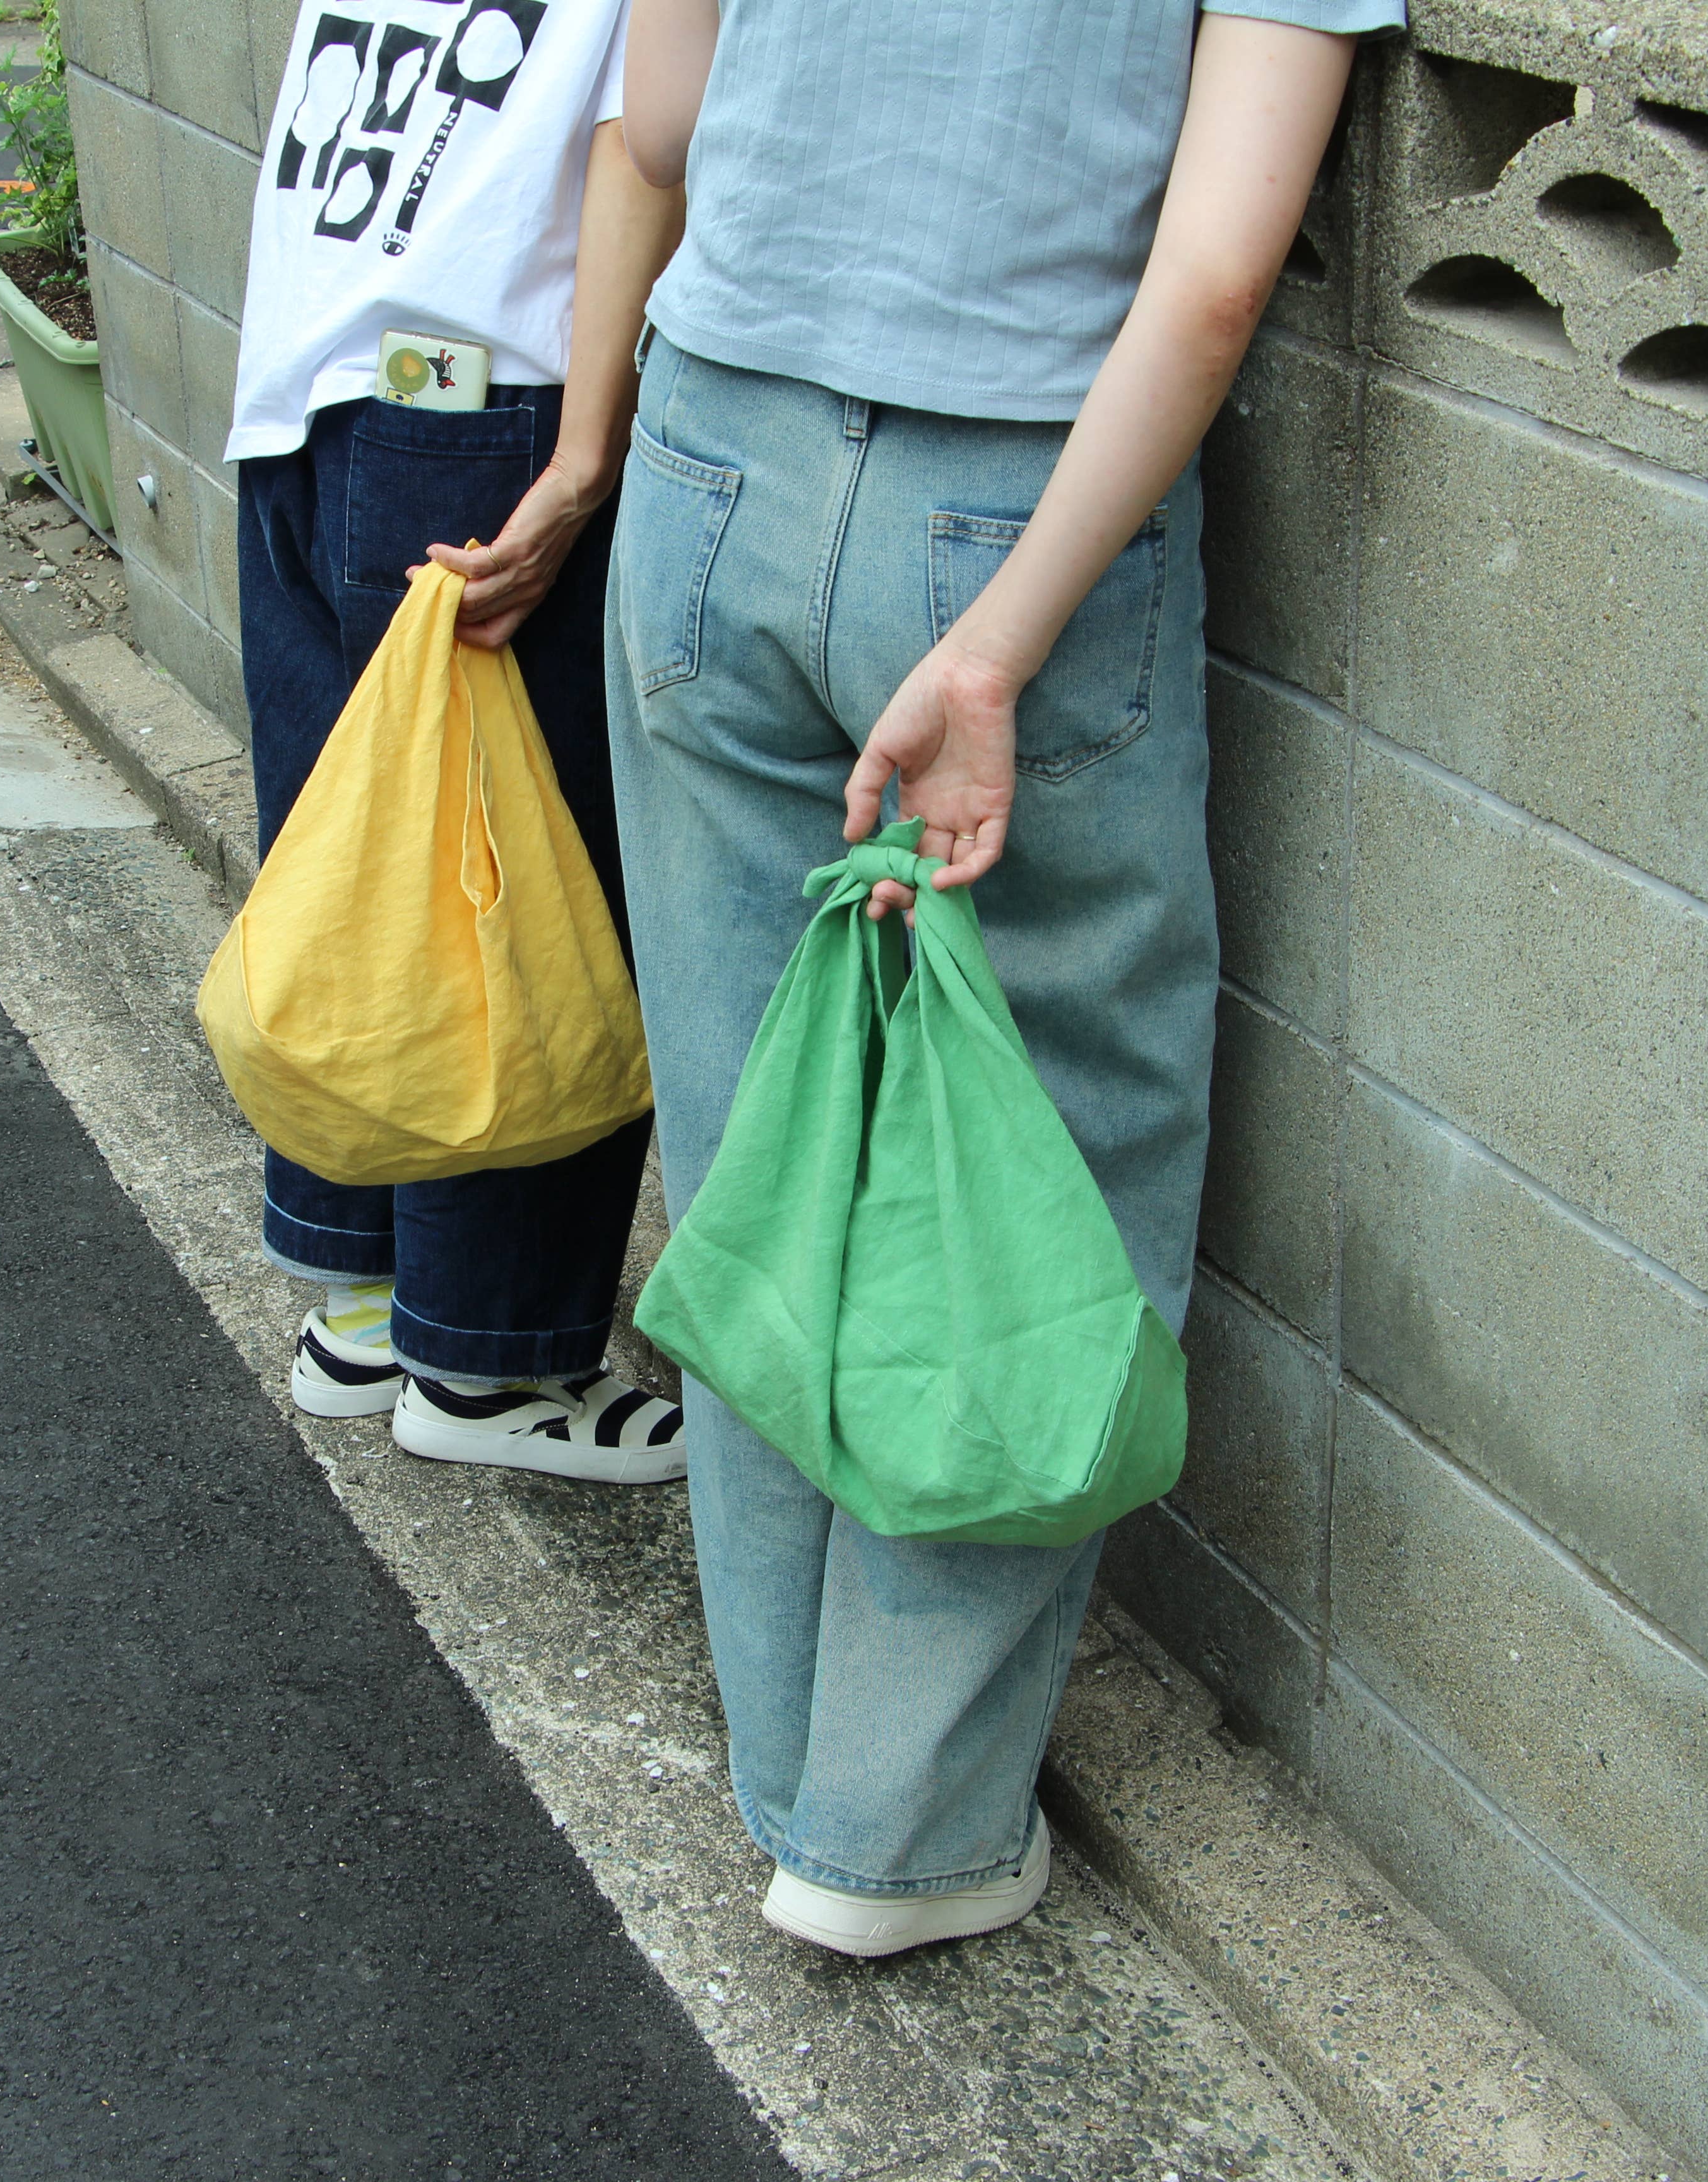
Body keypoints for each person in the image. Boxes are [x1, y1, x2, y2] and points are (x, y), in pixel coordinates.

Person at [610, 0, 1397, 1952]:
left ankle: (786, 1769)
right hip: (1022, 495)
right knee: (1038, 1166)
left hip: (711, 444)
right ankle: (898, 1833)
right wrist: (994, 651)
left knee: (755, 1143)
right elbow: (1211, 281)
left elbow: (668, 115)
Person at [230, 0, 689, 1479]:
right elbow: (644, 143)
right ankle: (491, 1367)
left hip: (305, 390)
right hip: (489, 409)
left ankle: (364, 1306)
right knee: (521, 908)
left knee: (357, 864)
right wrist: (586, 461)